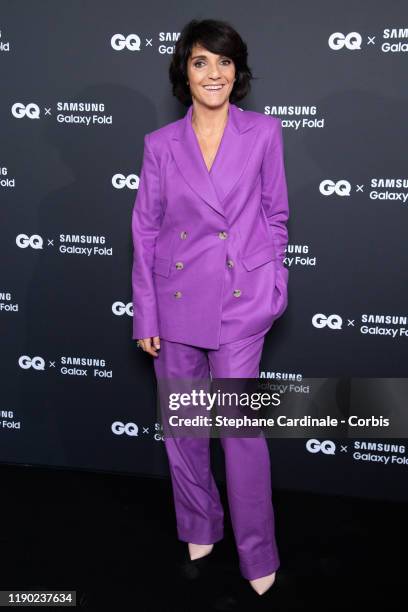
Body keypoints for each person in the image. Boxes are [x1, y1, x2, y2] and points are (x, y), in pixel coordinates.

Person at [131, 18, 289, 596]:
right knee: (185, 426)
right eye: (201, 61)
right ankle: (199, 523)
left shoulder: (265, 133)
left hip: (242, 303)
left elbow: (276, 215)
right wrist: (145, 313)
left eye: (223, 61)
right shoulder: (159, 145)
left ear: (236, 71)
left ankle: (258, 551)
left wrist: (271, 280)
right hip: (174, 304)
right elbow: (145, 231)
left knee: (240, 432)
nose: (213, 72)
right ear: (185, 72)